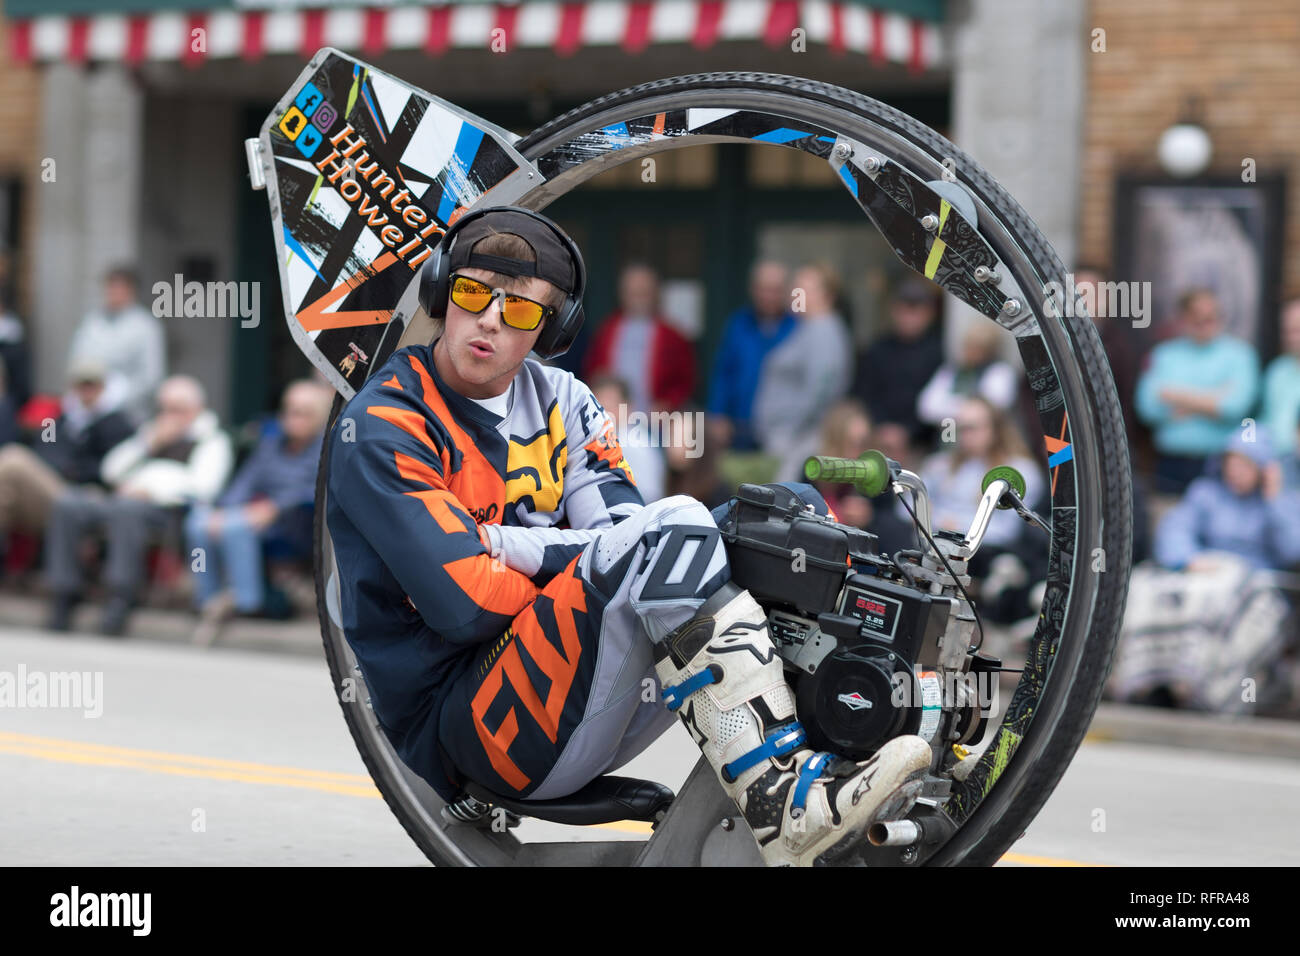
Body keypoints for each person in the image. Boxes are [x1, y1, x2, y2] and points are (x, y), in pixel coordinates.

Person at [324, 206, 930, 867]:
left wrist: (508, 544)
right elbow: (465, 604)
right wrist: (577, 564)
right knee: (676, 529)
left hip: (580, 693)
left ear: (551, 328)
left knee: (790, 520)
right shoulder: (384, 425)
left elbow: (621, 538)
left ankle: (852, 739)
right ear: (442, 291)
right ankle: (779, 803)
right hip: (468, 725)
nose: (491, 320)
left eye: (521, 310)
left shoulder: (567, 400)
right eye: (472, 293)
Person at [44, 375, 231, 635]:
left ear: (195, 409)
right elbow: (110, 470)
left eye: (177, 409)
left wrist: (151, 491)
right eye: (165, 408)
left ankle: (121, 595)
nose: (169, 415)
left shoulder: (211, 439)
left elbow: (204, 487)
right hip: (123, 499)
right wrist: (147, 444)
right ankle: (65, 591)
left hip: (168, 511)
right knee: (69, 504)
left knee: (126, 511)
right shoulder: (151, 434)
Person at [186, 380, 332, 644]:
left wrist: (274, 508)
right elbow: (245, 482)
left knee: (237, 527)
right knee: (199, 524)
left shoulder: (327, 448)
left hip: (297, 523)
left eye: (303, 412)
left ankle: (246, 602)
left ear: (319, 416)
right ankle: (206, 598)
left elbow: (317, 490)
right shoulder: (270, 445)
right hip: (257, 516)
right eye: (290, 410)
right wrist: (223, 510)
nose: (294, 418)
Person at [1136, 288, 1260, 495]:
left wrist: (1174, 396)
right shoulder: (1164, 354)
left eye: (1211, 316)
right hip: (1170, 463)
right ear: (1182, 318)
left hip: (1222, 463)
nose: (1204, 322)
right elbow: (1147, 408)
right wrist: (1214, 398)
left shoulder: (1240, 354)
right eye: (1196, 316)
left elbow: (1236, 407)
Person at [0, 360, 134, 549]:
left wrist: (74, 469)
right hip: (51, 485)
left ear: (103, 387)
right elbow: (43, 448)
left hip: (83, 493)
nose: (86, 392)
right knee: (5, 490)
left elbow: (113, 468)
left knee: (12, 460)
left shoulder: (117, 423)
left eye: (91, 385)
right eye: (81, 386)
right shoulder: (57, 420)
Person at [752, 262, 853, 480]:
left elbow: (821, 390)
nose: (794, 294)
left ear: (827, 296)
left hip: (801, 443)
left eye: (803, 289)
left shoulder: (823, 330)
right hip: (787, 441)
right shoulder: (806, 328)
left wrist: (791, 430)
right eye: (794, 288)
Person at [1153, 428, 1300, 573]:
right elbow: (1176, 528)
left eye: (1245, 465)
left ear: (1263, 469)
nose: (1236, 472)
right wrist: (1188, 559)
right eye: (1231, 463)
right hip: (1210, 573)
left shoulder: (1282, 501)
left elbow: (1292, 552)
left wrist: (1274, 501)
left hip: (1257, 581)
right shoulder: (1205, 493)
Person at [705, 260, 797, 452]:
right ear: (753, 290)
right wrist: (718, 414)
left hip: (783, 429)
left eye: (775, 290)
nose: (769, 296)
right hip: (739, 427)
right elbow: (724, 373)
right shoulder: (738, 324)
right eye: (764, 289)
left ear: (786, 292)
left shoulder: (797, 327)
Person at [582, 262, 696, 413]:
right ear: (622, 294)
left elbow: (684, 380)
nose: (638, 298)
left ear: (655, 293)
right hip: (613, 417)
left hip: (656, 420)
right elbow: (593, 373)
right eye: (632, 292)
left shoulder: (672, 336)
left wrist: (668, 404)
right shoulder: (607, 331)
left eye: (644, 292)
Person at [66, 266, 167, 426]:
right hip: (88, 411)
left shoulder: (145, 326)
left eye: (118, 288)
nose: (113, 293)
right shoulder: (92, 321)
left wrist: (111, 398)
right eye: (109, 287)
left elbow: (151, 377)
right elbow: (77, 361)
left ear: (131, 291)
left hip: (127, 415)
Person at [850, 277, 944, 448]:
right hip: (877, 438)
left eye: (915, 311)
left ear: (930, 314)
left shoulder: (940, 352)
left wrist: (908, 431)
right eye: (903, 310)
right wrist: (880, 426)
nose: (908, 318)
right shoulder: (877, 349)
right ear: (893, 311)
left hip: (923, 444)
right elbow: (863, 393)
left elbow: (940, 402)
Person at [916, 320, 1018, 431]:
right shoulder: (952, 370)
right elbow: (926, 408)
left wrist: (948, 404)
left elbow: (991, 408)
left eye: (976, 347)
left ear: (989, 350)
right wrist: (965, 407)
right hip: (950, 436)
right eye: (967, 346)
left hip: (986, 441)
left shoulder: (1000, 372)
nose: (968, 351)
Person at [588, 373, 666, 504]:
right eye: (599, 405)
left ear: (629, 408)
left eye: (611, 405)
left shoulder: (635, 443)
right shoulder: (597, 438)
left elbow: (650, 498)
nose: (604, 412)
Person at [1262, 296, 1300, 459]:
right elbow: (1265, 419)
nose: (1291, 337)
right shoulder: (1277, 370)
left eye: (1297, 330)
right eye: (1287, 330)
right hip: (1273, 461)